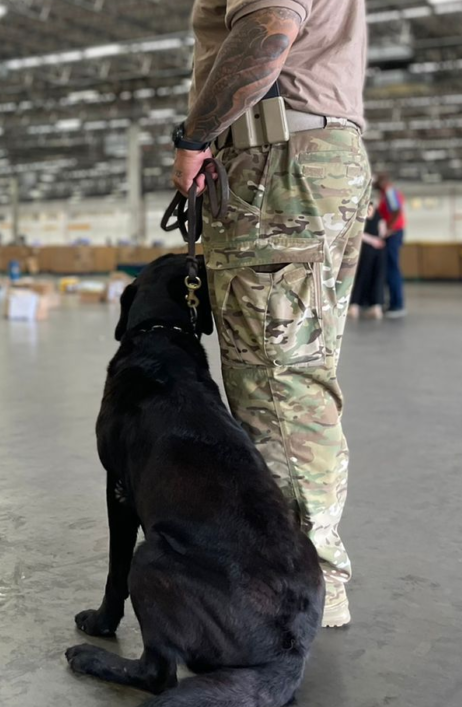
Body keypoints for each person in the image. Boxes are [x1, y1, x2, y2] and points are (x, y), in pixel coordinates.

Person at [170, 0, 370, 627]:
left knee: (274, 385)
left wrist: (195, 138)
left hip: (276, 166)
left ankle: (299, 582)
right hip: (310, 160)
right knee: (299, 377)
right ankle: (309, 571)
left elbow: (268, 30)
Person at [349, 202, 387, 320]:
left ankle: (354, 306)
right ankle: (376, 307)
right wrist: (377, 240)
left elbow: (358, 234)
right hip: (378, 250)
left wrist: (371, 241)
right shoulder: (379, 217)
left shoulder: (360, 218)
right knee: (377, 277)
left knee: (360, 277)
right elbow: (383, 232)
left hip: (364, 250)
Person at [376, 173, 407, 318]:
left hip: (394, 234)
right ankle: (393, 303)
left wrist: (387, 229)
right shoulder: (386, 193)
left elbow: (396, 211)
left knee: (392, 269)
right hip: (393, 234)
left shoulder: (389, 191)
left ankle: (397, 305)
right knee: (389, 269)